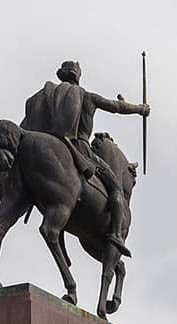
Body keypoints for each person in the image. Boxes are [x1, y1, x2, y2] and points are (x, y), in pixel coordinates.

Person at [21, 60, 150, 257]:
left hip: (53, 144)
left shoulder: (47, 95)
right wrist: (140, 109)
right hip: (81, 148)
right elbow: (116, 107)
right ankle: (115, 233)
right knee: (115, 187)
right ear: (78, 76)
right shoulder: (87, 97)